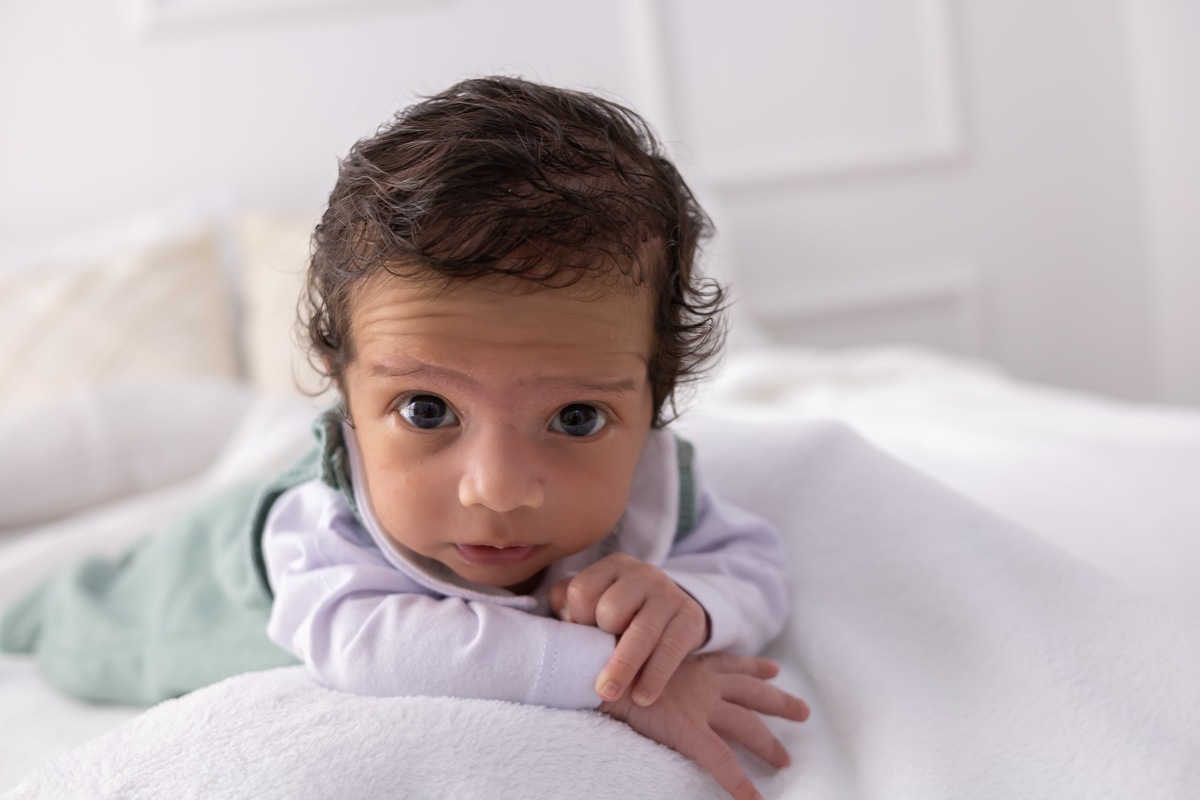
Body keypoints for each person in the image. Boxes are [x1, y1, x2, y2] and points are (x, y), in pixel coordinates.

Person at [0, 75, 807, 800]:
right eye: (427, 410)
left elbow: (751, 562)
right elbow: (374, 648)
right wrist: (628, 680)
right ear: (342, 384)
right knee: (73, 617)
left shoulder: (660, 483)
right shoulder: (320, 526)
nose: (497, 487)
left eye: (575, 419)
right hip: (186, 595)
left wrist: (690, 607)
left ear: (657, 395)